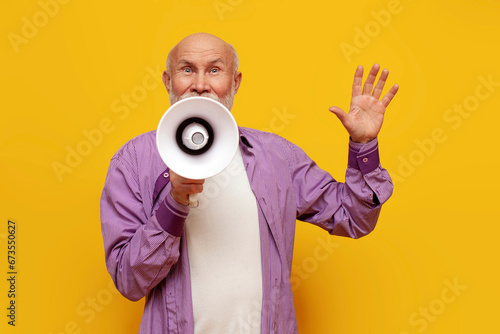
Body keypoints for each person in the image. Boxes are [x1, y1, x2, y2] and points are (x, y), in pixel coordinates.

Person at [100, 32, 398, 334]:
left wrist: (364, 144)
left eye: (215, 70)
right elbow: (129, 280)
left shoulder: (277, 156)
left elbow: (354, 218)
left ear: (235, 82)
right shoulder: (134, 161)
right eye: (187, 69)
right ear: (168, 81)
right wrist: (174, 203)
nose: (200, 84)